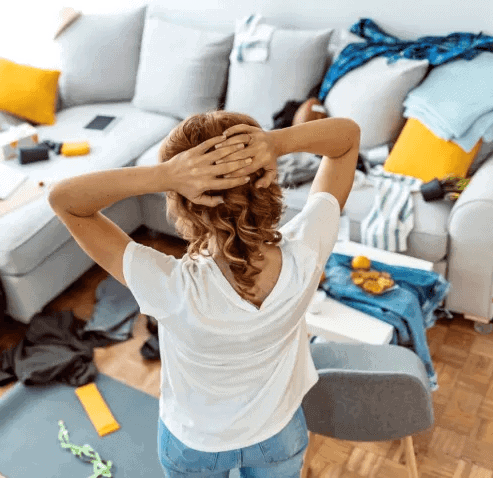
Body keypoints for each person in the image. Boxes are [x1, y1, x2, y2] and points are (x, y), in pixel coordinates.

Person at [48, 111, 360, 478]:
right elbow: (347, 138)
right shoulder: (309, 248)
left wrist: (162, 175)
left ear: (181, 202)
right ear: (268, 181)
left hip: (195, 443)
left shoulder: (168, 285)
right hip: (278, 432)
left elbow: (64, 199)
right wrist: (277, 143)